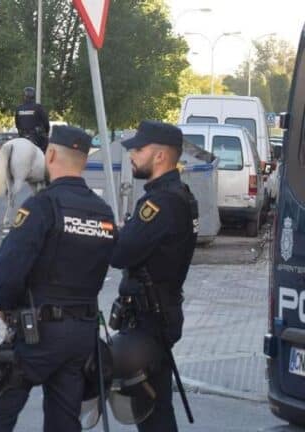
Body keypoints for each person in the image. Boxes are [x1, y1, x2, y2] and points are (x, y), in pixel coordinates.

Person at [0, 126, 118, 432]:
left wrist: (2, 305)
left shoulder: (42, 206)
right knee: (64, 423)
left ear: (50, 154)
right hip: (82, 335)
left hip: (37, 333)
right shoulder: (104, 212)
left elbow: (10, 268)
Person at [110, 120, 199, 432]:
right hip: (159, 312)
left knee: (150, 412)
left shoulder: (160, 203)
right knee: (155, 409)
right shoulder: (179, 195)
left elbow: (119, 254)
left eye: (139, 149)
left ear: (160, 156)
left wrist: (121, 235)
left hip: (149, 318)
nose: (132, 154)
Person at [15, 87, 50, 152]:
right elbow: (46, 123)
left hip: (22, 136)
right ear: (33, 96)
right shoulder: (38, 107)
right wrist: (46, 132)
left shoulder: (19, 108)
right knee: (48, 149)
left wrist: (21, 132)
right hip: (36, 136)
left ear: (24, 96)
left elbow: (17, 124)